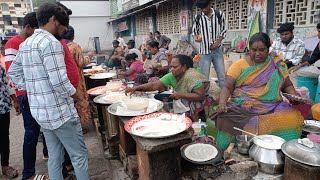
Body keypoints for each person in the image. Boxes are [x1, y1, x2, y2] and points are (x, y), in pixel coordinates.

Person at [8, 3, 90, 180]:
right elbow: (60, 82)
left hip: (41, 113)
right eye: (64, 25)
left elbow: (13, 72)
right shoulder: (51, 43)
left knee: (54, 157)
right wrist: (81, 100)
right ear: (53, 20)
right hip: (60, 113)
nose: (65, 29)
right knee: (79, 156)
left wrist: (34, 87)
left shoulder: (27, 43)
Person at [212, 33, 304, 151]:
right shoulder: (239, 65)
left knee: (292, 117)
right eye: (254, 50)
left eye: (262, 50)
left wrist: (293, 97)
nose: (258, 53)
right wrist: (222, 104)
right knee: (227, 118)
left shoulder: (276, 65)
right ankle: (226, 150)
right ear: (249, 49)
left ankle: (280, 151)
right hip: (242, 104)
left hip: (272, 104)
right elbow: (227, 87)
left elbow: (288, 85)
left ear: (268, 49)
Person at [4, 12, 50, 180]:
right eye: (35, 29)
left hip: (35, 92)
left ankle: (46, 154)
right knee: (31, 132)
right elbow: (12, 73)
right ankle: (28, 174)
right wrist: (21, 95)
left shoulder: (28, 42)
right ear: (28, 27)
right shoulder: (13, 44)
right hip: (26, 94)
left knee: (43, 127)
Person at [126, 54, 220, 120]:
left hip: (211, 96)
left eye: (175, 67)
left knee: (207, 118)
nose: (172, 69)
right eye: (171, 67)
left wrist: (180, 94)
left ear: (184, 67)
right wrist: (136, 88)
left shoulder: (192, 75)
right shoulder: (172, 76)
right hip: (195, 96)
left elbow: (201, 96)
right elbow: (154, 85)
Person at [192, 0, 227, 88]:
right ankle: (205, 97)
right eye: (201, 8)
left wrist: (217, 42)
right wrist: (196, 39)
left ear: (209, 4)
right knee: (204, 78)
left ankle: (223, 96)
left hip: (217, 51)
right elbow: (194, 32)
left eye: (205, 7)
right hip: (204, 52)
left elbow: (224, 30)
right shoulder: (198, 17)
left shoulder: (219, 14)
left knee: (222, 76)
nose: (203, 10)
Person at [63, 25, 91, 133]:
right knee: (79, 100)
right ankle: (79, 127)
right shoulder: (75, 46)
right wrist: (89, 56)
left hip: (65, 78)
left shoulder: (59, 45)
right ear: (73, 36)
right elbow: (81, 62)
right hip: (76, 79)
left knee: (70, 102)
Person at [0, 64, 20, 179]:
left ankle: (5, 166)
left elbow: (6, 83)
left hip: (3, 107)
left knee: (3, 137)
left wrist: (15, 100)